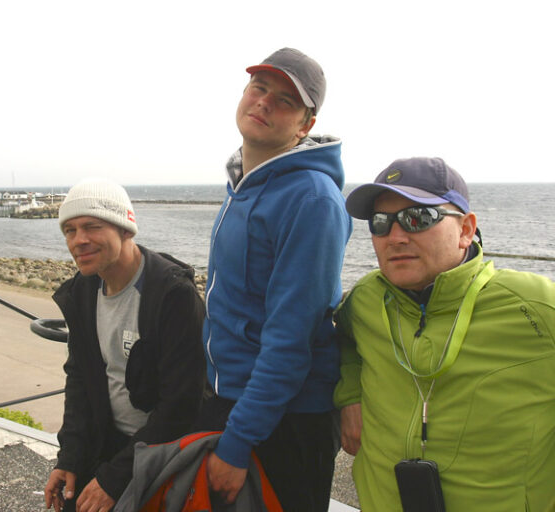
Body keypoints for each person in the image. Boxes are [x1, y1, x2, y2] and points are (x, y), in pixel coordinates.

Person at [334, 157, 555, 511]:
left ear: (466, 229)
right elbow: (343, 339)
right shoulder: (364, 300)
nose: (395, 237)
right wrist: (350, 396)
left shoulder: (537, 307)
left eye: (418, 218)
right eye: (381, 223)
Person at [196, 48, 352, 511]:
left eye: (285, 101)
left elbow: (291, 338)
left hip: (284, 421)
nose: (264, 102)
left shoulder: (311, 199)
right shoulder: (244, 186)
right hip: (234, 401)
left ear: (305, 125)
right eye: (259, 88)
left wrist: (238, 442)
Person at [43, 179, 206, 512]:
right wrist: (70, 457)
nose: (78, 240)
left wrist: (117, 478)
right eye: (70, 231)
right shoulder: (83, 291)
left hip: (162, 452)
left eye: (92, 226)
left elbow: (182, 406)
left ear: (126, 229)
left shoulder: (172, 295)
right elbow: (80, 378)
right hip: (106, 441)